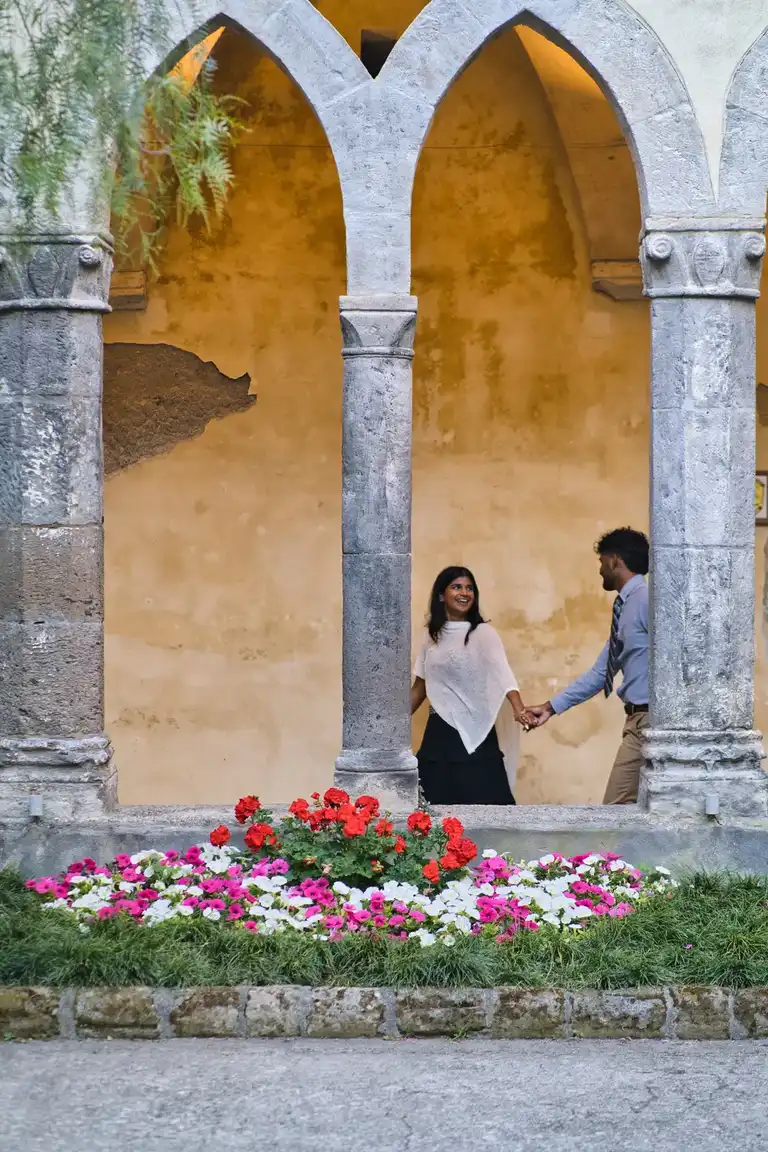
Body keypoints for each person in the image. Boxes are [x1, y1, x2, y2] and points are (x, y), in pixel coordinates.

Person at [524, 527, 649, 805]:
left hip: (649, 721)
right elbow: (600, 673)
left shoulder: (645, 601)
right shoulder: (626, 606)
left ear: (615, 560)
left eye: (602, 561)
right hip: (638, 721)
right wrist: (550, 707)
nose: (601, 570)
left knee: (616, 808)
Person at [410, 566, 529, 805]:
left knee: (484, 800)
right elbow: (420, 687)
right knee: (433, 805)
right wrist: (389, 724)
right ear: (442, 595)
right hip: (439, 732)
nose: (465, 593)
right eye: (457, 587)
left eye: (469, 588)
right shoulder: (431, 636)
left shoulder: (484, 633)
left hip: (477, 732)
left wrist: (519, 709)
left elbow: (503, 674)